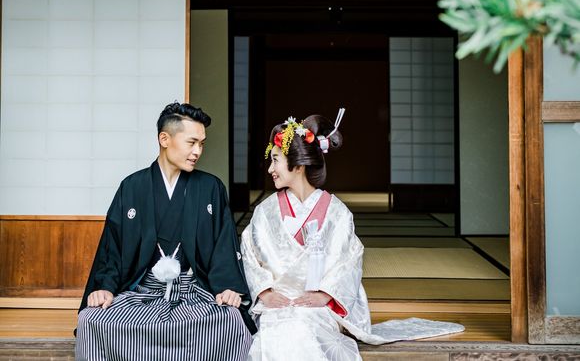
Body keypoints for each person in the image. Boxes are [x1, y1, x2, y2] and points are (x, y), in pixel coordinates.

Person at [241, 110, 463, 360]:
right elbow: (249, 255)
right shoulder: (265, 210)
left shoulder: (337, 213)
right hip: (275, 304)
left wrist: (326, 295)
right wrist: (265, 292)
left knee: (302, 326)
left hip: (319, 305)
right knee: (277, 332)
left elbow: (349, 261)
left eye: (275, 160)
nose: (270, 168)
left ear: (299, 164)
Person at [76, 102, 256, 361]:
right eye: (191, 143)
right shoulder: (132, 187)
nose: (197, 151)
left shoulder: (211, 188)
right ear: (164, 139)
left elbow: (223, 246)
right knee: (91, 319)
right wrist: (104, 287)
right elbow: (112, 246)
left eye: (201, 144)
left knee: (230, 321)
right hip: (142, 294)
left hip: (193, 294)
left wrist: (228, 287)